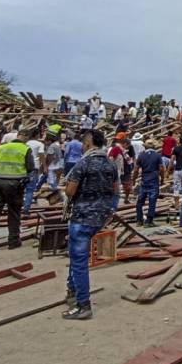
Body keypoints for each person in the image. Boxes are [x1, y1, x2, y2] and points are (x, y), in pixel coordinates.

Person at [61, 129, 116, 320]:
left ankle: (83, 304)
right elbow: (115, 190)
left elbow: (70, 191)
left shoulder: (83, 163)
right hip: (100, 217)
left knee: (79, 262)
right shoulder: (110, 165)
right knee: (77, 258)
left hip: (82, 217)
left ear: (86, 144)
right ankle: (72, 290)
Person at [0, 129, 34, 253]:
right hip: (15, 184)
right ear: (26, 137)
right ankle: (13, 241)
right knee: (14, 213)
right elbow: (30, 167)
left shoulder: (1, 147)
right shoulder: (25, 149)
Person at [133, 139, 163, 227]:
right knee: (152, 201)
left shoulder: (141, 155)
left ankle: (139, 220)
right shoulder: (157, 155)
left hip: (144, 180)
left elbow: (136, 169)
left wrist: (134, 179)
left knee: (140, 201)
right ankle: (149, 221)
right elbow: (161, 168)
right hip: (154, 180)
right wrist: (162, 179)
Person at [23, 128, 46, 214]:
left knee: (21, 188)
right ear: (37, 135)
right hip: (34, 168)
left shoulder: (26, 143)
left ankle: (17, 207)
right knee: (30, 189)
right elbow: (41, 156)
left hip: (23, 168)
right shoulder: (40, 144)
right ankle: (26, 208)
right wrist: (44, 167)